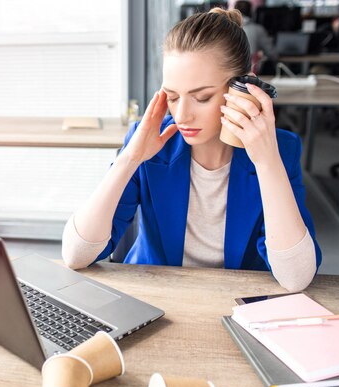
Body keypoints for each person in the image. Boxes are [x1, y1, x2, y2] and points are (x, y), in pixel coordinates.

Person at [61, 8, 322, 292]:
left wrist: (267, 163)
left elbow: (296, 277)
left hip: (235, 303)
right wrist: (130, 158)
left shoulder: (280, 149)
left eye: (202, 97)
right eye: (172, 96)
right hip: (157, 296)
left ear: (244, 86)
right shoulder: (151, 141)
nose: (182, 114)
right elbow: (76, 255)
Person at [233, 0, 278, 74]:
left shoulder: (226, 29)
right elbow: (272, 53)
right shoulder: (258, 29)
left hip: (229, 74)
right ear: (251, 13)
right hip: (251, 74)